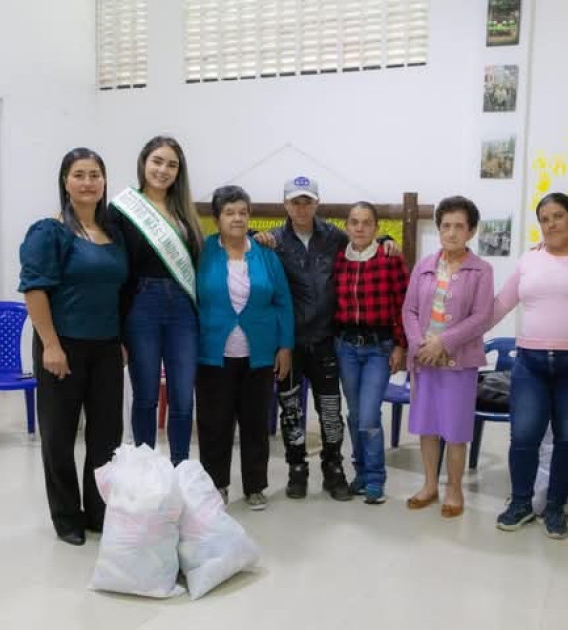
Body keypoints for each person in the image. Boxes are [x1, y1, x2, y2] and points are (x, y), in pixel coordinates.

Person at [259, 176, 398, 501]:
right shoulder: (273, 240)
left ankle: (333, 469)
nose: (301, 208)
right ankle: (297, 469)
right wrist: (254, 235)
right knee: (290, 411)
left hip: (326, 340)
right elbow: (248, 250)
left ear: (317, 203)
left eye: (307, 201)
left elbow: (362, 243)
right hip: (290, 343)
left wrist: (387, 238)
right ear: (285, 205)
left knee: (331, 411)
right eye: (295, 202)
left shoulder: (334, 237)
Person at [19, 148, 127, 546]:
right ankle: (66, 516)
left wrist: (121, 340)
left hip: (107, 348)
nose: (88, 182)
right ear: (65, 182)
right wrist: (50, 345)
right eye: (79, 174)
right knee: (59, 436)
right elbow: (34, 289)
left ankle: (98, 511)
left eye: (95, 174)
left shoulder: (114, 233)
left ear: (104, 181)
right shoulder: (49, 231)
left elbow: (120, 291)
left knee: (106, 436)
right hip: (62, 347)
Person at [490, 193, 568, 539]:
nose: (551, 224)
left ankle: (555, 507)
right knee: (524, 436)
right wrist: (458, 336)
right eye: (544, 219)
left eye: (558, 216)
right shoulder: (529, 259)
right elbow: (500, 305)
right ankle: (520, 503)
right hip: (531, 364)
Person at [195, 185, 294, 511]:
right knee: (214, 424)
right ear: (217, 219)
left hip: (259, 354)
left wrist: (285, 346)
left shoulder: (266, 255)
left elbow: (283, 302)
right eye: (229, 213)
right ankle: (216, 485)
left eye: (242, 212)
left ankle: (255, 486)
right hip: (213, 354)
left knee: (255, 423)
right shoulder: (203, 252)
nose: (237, 218)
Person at [110, 136, 204, 465]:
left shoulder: (184, 213)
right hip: (141, 305)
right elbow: (117, 268)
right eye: (157, 161)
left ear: (179, 172)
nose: (163, 170)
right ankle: (145, 470)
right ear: (144, 163)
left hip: (183, 308)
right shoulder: (122, 209)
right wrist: (118, 329)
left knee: (183, 396)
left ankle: (181, 468)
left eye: (172, 165)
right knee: (146, 395)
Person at [403, 196, 493, 518]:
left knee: (455, 430)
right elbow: (409, 310)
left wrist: (442, 342)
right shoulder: (424, 266)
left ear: (471, 231)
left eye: (459, 226)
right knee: (427, 426)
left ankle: (454, 489)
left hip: (459, 362)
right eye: (446, 226)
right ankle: (429, 485)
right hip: (424, 361)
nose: (451, 232)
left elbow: (481, 317)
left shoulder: (481, 270)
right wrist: (419, 345)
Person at [333, 202, 409, 505]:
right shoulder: (340, 259)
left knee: (368, 415)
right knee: (354, 414)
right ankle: (361, 473)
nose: (360, 228)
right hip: (346, 347)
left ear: (377, 228)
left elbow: (404, 304)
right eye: (354, 222)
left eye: (367, 222)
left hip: (379, 348)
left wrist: (401, 345)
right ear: (347, 226)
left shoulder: (389, 259)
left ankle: (376, 477)